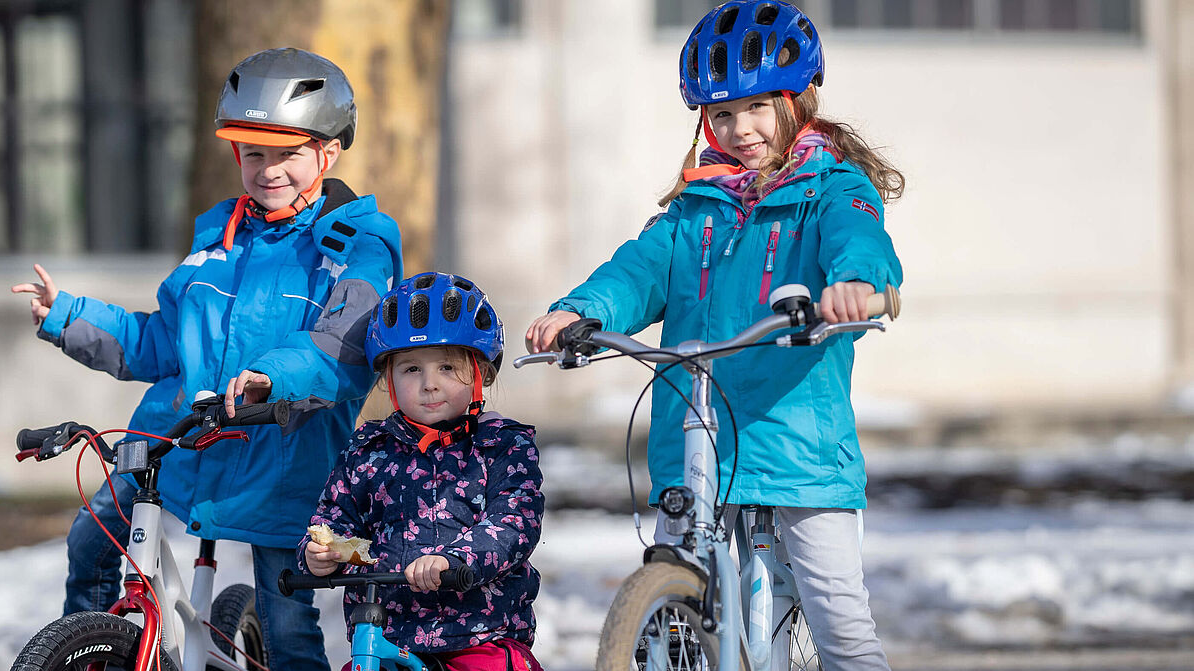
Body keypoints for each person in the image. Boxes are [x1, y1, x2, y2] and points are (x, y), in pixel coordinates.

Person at [526, 2, 902, 669]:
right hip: (695, 442)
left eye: (757, 107)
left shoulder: (832, 189)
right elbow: (637, 273)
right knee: (673, 616)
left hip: (798, 450)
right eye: (721, 114)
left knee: (839, 621)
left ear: (799, 99)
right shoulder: (694, 207)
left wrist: (855, 286)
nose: (739, 128)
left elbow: (861, 241)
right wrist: (580, 310)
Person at [11, 47, 403, 671]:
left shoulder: (359, 239)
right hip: (182, 438)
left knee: (285, 621)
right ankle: (92, 652)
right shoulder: (216, 238)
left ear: (327, 154)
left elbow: (343, 343)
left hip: (283, 450)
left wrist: (272, 378)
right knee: (93, 535)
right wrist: (68, 316)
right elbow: (162, 343)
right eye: (254, 154)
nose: (269, 170)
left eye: (288, 153)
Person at [301, 272, 545, 671]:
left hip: (481, 633)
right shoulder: (368, 451)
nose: (430, 384)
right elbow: (333, 517)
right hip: (386, 634)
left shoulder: (502, 446)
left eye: (447, 367)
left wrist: (455, 560)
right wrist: (318, 554)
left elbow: (514, 524)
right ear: (389, 379)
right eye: (412, 369)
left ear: (480, 373)